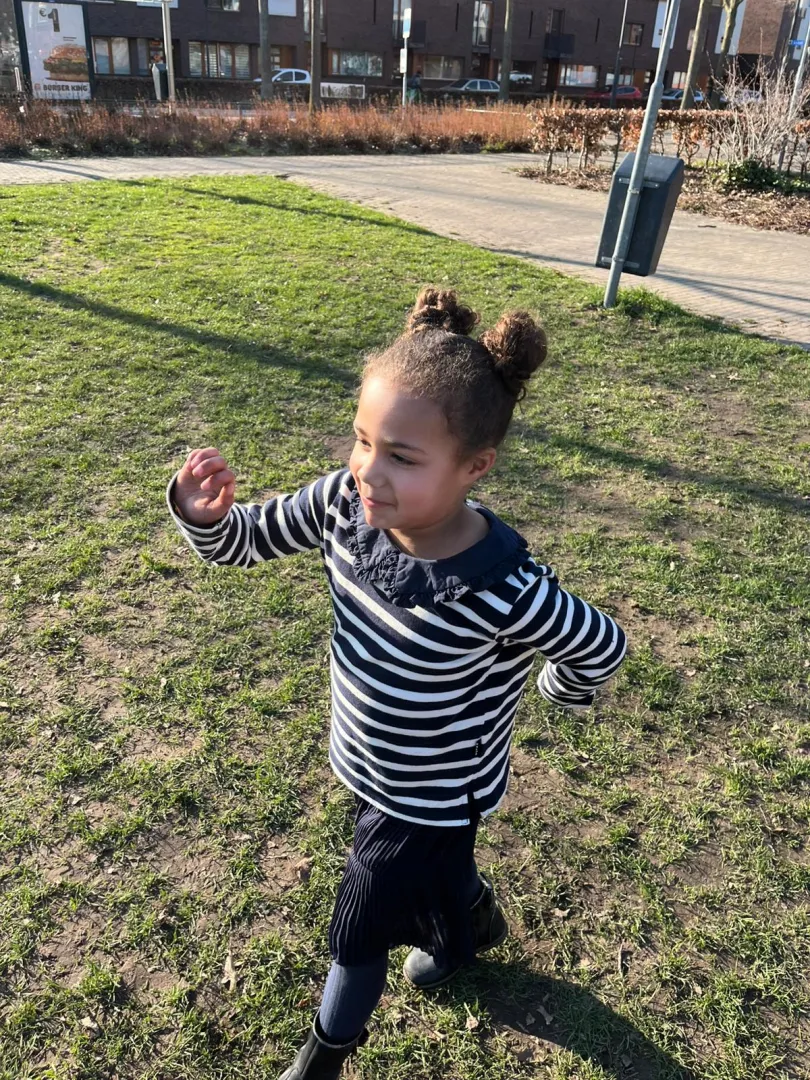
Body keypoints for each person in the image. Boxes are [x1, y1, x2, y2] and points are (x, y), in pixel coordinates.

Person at [166, 287, 628, 1080]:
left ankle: (322, 1058)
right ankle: (471, 922)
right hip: (367, 764)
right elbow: (244, 542)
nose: (369, 473)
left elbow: (600, 645)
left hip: (434, 790)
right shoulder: (342, 506)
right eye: (362, 440)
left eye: (403, 458)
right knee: (440, 871)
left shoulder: (501, 585)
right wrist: (204, 517)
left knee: (359, 927)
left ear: (474, 467)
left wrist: (562, 688)